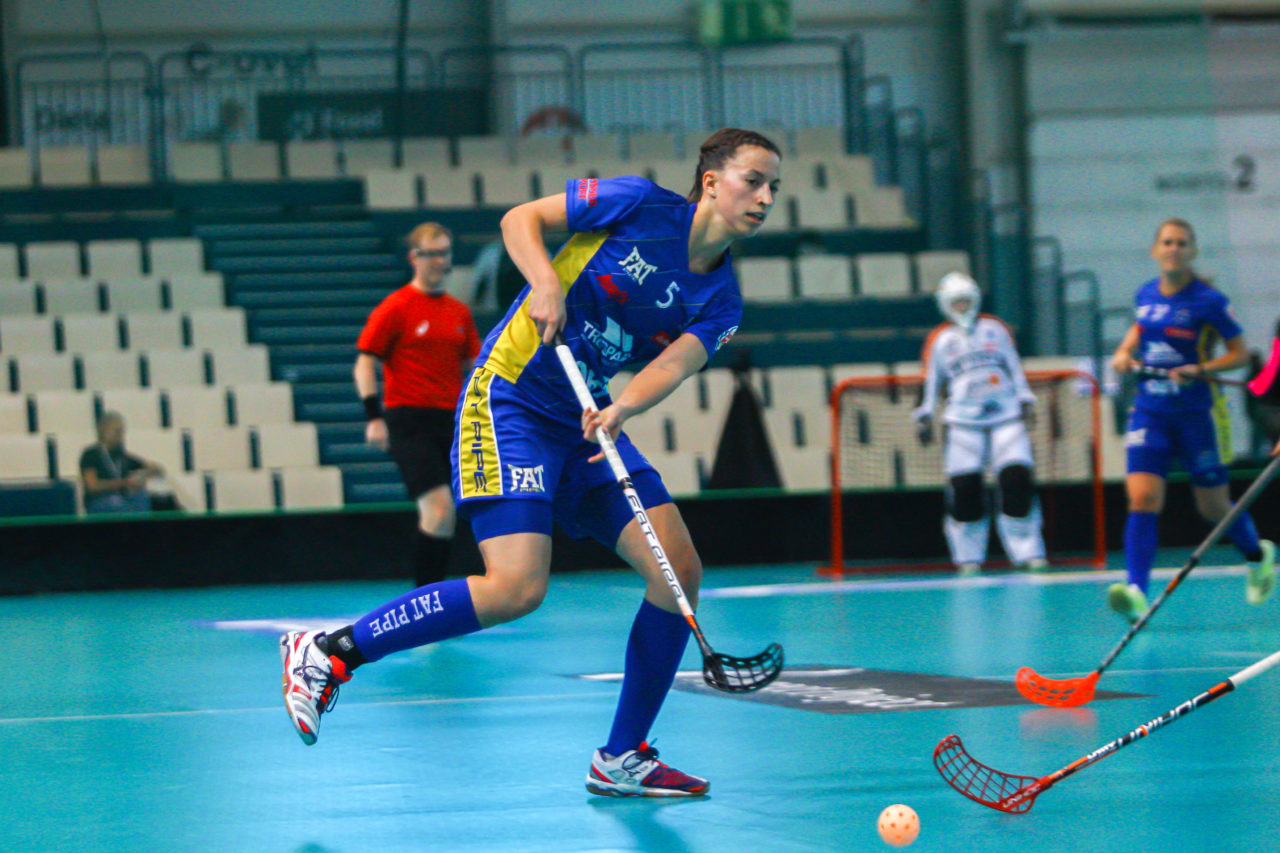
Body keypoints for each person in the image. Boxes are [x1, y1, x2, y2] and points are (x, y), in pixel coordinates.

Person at [280, 128, 782, 797]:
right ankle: (330, 650)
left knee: (678, 566)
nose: (766, 196)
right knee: (516, 587)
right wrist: (544, 279)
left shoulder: (722, 299)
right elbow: (521, 220)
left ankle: (622, 754)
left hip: (587, 416)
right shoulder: (636, 204)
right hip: (511, 395)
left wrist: (622, 408)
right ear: (713, 180)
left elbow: (674, 362)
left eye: (775, 186)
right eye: (755, 179)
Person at [1108, 217, 1275, 622]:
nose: (1174, 249)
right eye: (1166, 242)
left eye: (1182, 243)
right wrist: (1123, 355)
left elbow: (1238, 354)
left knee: (1213, 506)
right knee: (1143, 498)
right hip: (1150, 410)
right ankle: (1136, 593)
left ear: (1192, 251)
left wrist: (1201, 368)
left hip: (1196, 414)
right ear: (1155, 250)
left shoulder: (1209, 301)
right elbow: (1139, 332)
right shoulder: (1145, 294)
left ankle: (1257, 555)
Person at [355, 222, 482, 586]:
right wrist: (373, 417)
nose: (440, 260)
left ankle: (433, 598)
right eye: (432, 253)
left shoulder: (458, 312)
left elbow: (474, 366)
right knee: (439, 508)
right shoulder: (396, 306)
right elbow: (365, 361)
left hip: (452, 421)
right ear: (415, 258)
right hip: (409, 419)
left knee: (450, 513)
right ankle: (424, 601)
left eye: (445, 253)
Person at [912, 272, 1048, 575]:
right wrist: (925, 412)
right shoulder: (941, 340)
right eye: (956, 302)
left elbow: (1013, 364)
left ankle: (1028, 552)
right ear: (945, 305)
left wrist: (1025, 397)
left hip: (1006, 417)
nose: (962, 306)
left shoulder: (995, 329)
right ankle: (968, 557)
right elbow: (931, 380)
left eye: (966, 300)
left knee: (1016, 480)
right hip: (962, 422)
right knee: (965, 489)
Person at [79, 411, 163, 514]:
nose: (121, 435)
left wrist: (149, 472)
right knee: (120, 506)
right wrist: (124, 483)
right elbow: (93, 486)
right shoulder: (90, 454)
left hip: (122, 499)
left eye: (122, 431)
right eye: (117, 431)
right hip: (100, 501)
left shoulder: (121, 455)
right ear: (104, 431)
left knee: (141, 496)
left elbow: (148, 466)